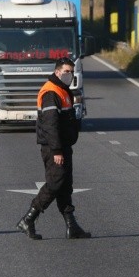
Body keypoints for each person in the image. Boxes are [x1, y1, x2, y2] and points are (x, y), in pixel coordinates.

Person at [16, 57, 91, 240]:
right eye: (66, 71)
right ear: (57, 72)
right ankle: (28, 218)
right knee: (55, 183)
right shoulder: (51, 92)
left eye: (72, 72)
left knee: (65, 186)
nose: (70, 75)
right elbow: (50, 125)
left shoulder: (63, 90)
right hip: (53, 148)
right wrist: (57, 151)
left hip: (63, 146)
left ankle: (71, 226)